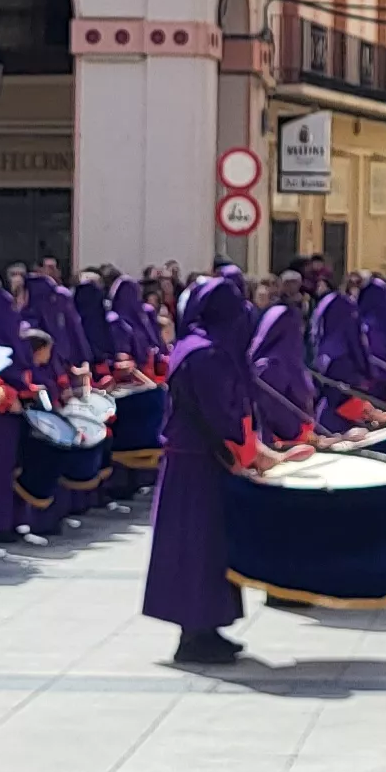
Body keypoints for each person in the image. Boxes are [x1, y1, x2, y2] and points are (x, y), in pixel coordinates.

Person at [146, 274, 266, 663]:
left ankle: (205, 627)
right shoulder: (208, 354)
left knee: (197, 548)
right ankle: (195, 634)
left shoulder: (189, 346)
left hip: (190, 460)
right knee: (201, 547)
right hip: (200, 463)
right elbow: (220, 412)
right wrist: (248, 450)